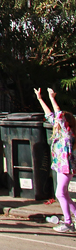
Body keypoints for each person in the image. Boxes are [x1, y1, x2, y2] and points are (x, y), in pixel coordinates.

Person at [35, 87, 76, 233]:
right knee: (63, 194)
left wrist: (52, 97)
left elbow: (58, 115)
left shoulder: (67, 133)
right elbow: (50, 115)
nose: (56, 123)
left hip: (66, 167)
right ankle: (74, 219)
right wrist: (40, 98)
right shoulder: (60, 131)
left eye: (60, 121)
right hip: (61, 167)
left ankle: (69, 222)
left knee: (60, 193)